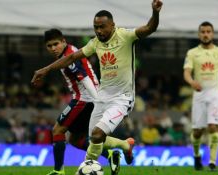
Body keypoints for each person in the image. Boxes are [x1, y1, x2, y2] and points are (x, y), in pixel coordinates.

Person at [32, 0, 162, 173]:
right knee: (94, 138)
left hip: (121, 98)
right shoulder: (95, 43)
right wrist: (46, 70)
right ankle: (125, 146)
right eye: (96, 27)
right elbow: (71, 58)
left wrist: (155, 13)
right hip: (101, 97)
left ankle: (82, 169)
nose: (99, 31)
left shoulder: (125, 35)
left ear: (112, 25)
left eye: (102, 27)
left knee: (97, 134)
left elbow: (149, 28)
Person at [40, 29, 123, 175]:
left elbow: (83, 78)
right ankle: (110, 154)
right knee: (75, 139)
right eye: (49, 46)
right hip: (90, 98)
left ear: (63, 42)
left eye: (56, 44)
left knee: (57, 130)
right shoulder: (70, 51)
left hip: (84, 99)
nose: (53, 48)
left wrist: (98, 101)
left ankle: (58, 171)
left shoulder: (69, 56)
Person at [183, 21, 218, 171]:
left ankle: (212, 162)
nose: (205, 34)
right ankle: (197, 156)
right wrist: (192, 82)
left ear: (213, 33)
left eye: (208, 31)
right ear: (199, 34)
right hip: (199, 95)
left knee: (213, 127)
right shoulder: (192, 53)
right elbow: (186, 72)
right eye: (203, 32)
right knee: (197, 132)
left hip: (216, 93)